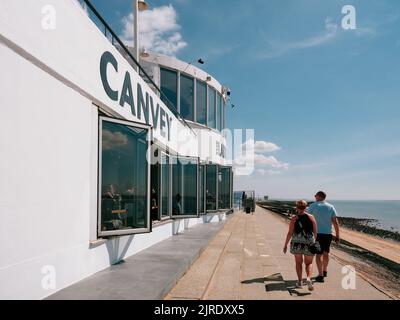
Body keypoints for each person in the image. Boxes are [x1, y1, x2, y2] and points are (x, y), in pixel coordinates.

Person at [283, 200, 317, 291]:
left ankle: (299, 282)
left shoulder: (294, 218)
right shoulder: (311, 217)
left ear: (297, 208)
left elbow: (290, 232)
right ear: (306, 207)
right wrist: (315, 243)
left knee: (298, 262)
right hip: (309, 241)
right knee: (309, 263)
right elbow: (315, 232)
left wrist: (285, 244)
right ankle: (309, 278)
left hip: (297, 242)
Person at [307, 191, 340, 283]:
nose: (314, 197)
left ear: (319, 196)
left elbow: (307, 218)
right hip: (328, 234)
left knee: (318, 254)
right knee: (326, 252)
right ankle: (325, 270)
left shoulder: (313, 206)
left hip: (317, 234)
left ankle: (320, 275)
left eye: (315, 195)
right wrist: (337, 235)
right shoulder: (330, 206)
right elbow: (335, 222)